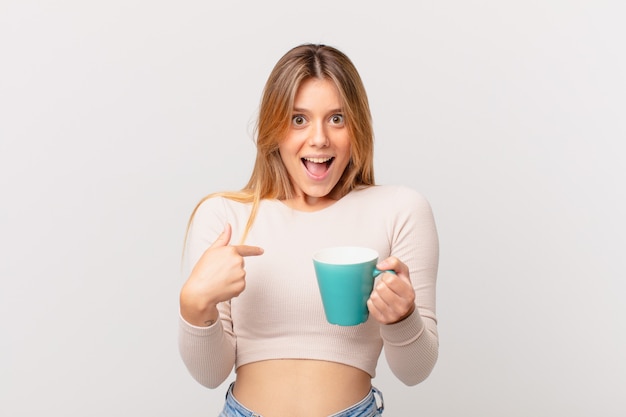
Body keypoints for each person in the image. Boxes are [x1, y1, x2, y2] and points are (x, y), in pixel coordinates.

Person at [178, 43, 439, 417]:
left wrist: (402, 317)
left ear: (358, 127)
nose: (319, 138)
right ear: (273, 129)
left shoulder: (400, 209)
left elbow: (416, 371)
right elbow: (210, 373)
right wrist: (194, 305)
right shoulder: (225, 216)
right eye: (298, 119)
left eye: (337, 119)